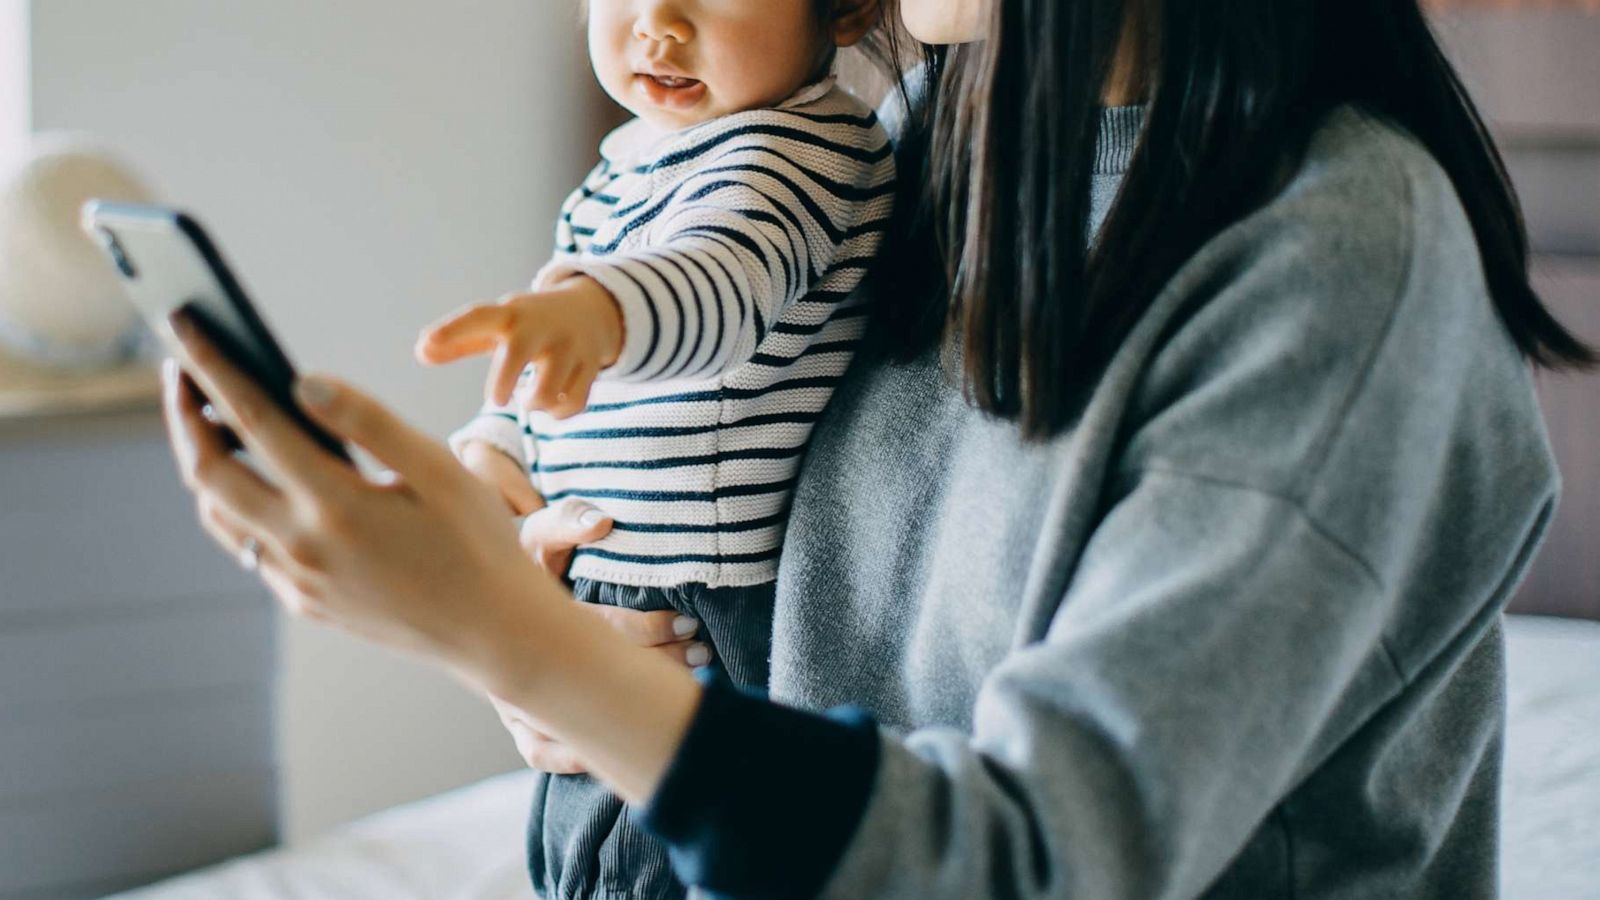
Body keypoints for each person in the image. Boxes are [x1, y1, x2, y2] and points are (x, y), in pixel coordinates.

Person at [161, 0, 1596, 896]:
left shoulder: (1336, 261)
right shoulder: (915, 142)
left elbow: (1045, 862)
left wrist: (516, 646)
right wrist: (567, 640)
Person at [411, 0, 892, 894]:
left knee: (644, 866)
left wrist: (598, 311)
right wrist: (497, 450)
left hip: (704, 603)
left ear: (848, 9)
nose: (659, 24)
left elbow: (718, 283)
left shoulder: (799, 151)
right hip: (612, 578)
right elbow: (554, 388)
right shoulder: (626, 167)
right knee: (578, 848)